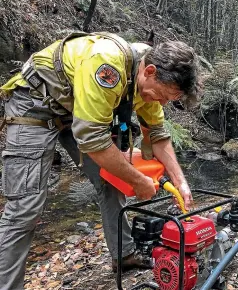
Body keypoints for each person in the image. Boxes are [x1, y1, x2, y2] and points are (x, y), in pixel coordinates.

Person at [0, 31, 200, 290]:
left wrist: (180, 182)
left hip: (76, 112)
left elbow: (158, 135)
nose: (160, 102)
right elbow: (93, 140)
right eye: (161, 95)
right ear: (149, 71)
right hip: (35, 103)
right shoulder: (107, 64)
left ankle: (124, 255)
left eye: (168, 100)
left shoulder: (149, 80)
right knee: (25, 208)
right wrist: (139, 181)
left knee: (113, 180)